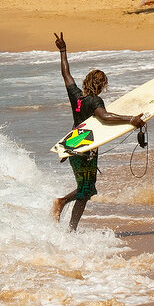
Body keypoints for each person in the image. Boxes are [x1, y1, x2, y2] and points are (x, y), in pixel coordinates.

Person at [52, 31, 144, 231]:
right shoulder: (95, 101)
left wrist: (63, 51)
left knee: (86, 189)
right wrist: (132, 120)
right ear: (102, 86)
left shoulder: (77, 97)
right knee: (86, 190)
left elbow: (66, 75)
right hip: (87, 149)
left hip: (74, 145)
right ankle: (63, 208)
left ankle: (71, 229)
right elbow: (105, 117)